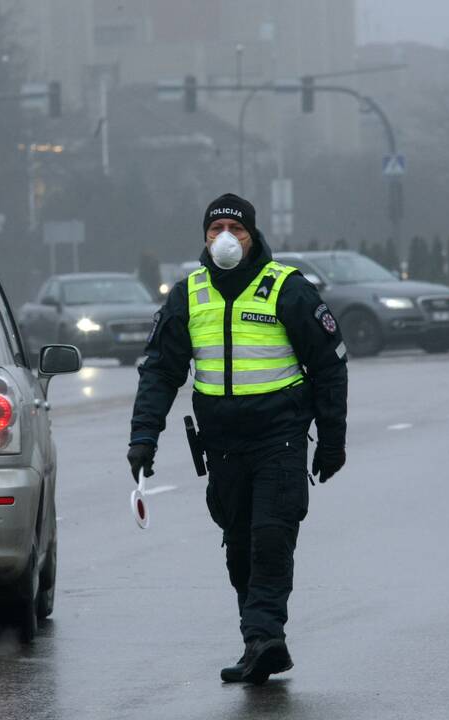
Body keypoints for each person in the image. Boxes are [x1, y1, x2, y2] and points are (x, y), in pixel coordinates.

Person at [127, 193, 348, 684]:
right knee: (240, 547)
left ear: (252, 235)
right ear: (204, 237)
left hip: (280, 437)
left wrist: (333, 440)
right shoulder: (189, 293)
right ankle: (259, 638)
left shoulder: (286, 289)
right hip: (223, 445)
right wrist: (144, 436)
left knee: (271, 536)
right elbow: (161, 371)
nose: (225, 237)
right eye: (215, 229)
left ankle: (265, 637)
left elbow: (330, 366)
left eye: (236, 228)